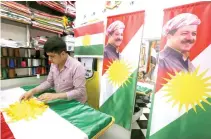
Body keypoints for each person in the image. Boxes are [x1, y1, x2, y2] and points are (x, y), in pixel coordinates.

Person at [20, 36, 87, 103]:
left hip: (75, 104)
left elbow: (80, 91)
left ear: (63, 54)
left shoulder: (77, 67)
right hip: (61, 100)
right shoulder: (54, 64)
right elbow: (49, 82)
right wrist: (32, 91)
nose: (49, 59)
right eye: (48, 56)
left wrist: (55, 96)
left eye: (52, 56)